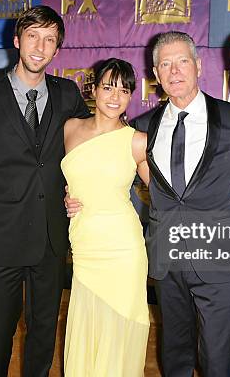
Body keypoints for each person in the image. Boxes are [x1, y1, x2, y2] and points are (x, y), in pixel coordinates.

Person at [68, 31, 230, 376]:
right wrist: (74, 196)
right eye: (166, 64)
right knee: (174, 350)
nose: (174, 71)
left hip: (217, 258)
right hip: (165, 257)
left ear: (198, 65)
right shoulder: (141, 128)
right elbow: (107, 174)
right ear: (155, 74)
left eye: (182, 62)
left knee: (218, 355)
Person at [0, 5, 91, 377]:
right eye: (33, 36)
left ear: (57, 50)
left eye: (49, 40)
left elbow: (87, 150)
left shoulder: (68, 94)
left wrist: (80, 191)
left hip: (50, 236)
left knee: (44, 329)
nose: (40, 46)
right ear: (17, 40)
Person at [61, 58, 150, 375]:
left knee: (117, 330)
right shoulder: (70, 128)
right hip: (85, 247)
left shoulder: (137, 141)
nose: (115, 96)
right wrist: (63, 196)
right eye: (108, 87)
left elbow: (168, 195)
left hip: (122, 249)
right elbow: (51, 177)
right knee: (88, 325)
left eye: (124, 90)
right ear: (93, 89)